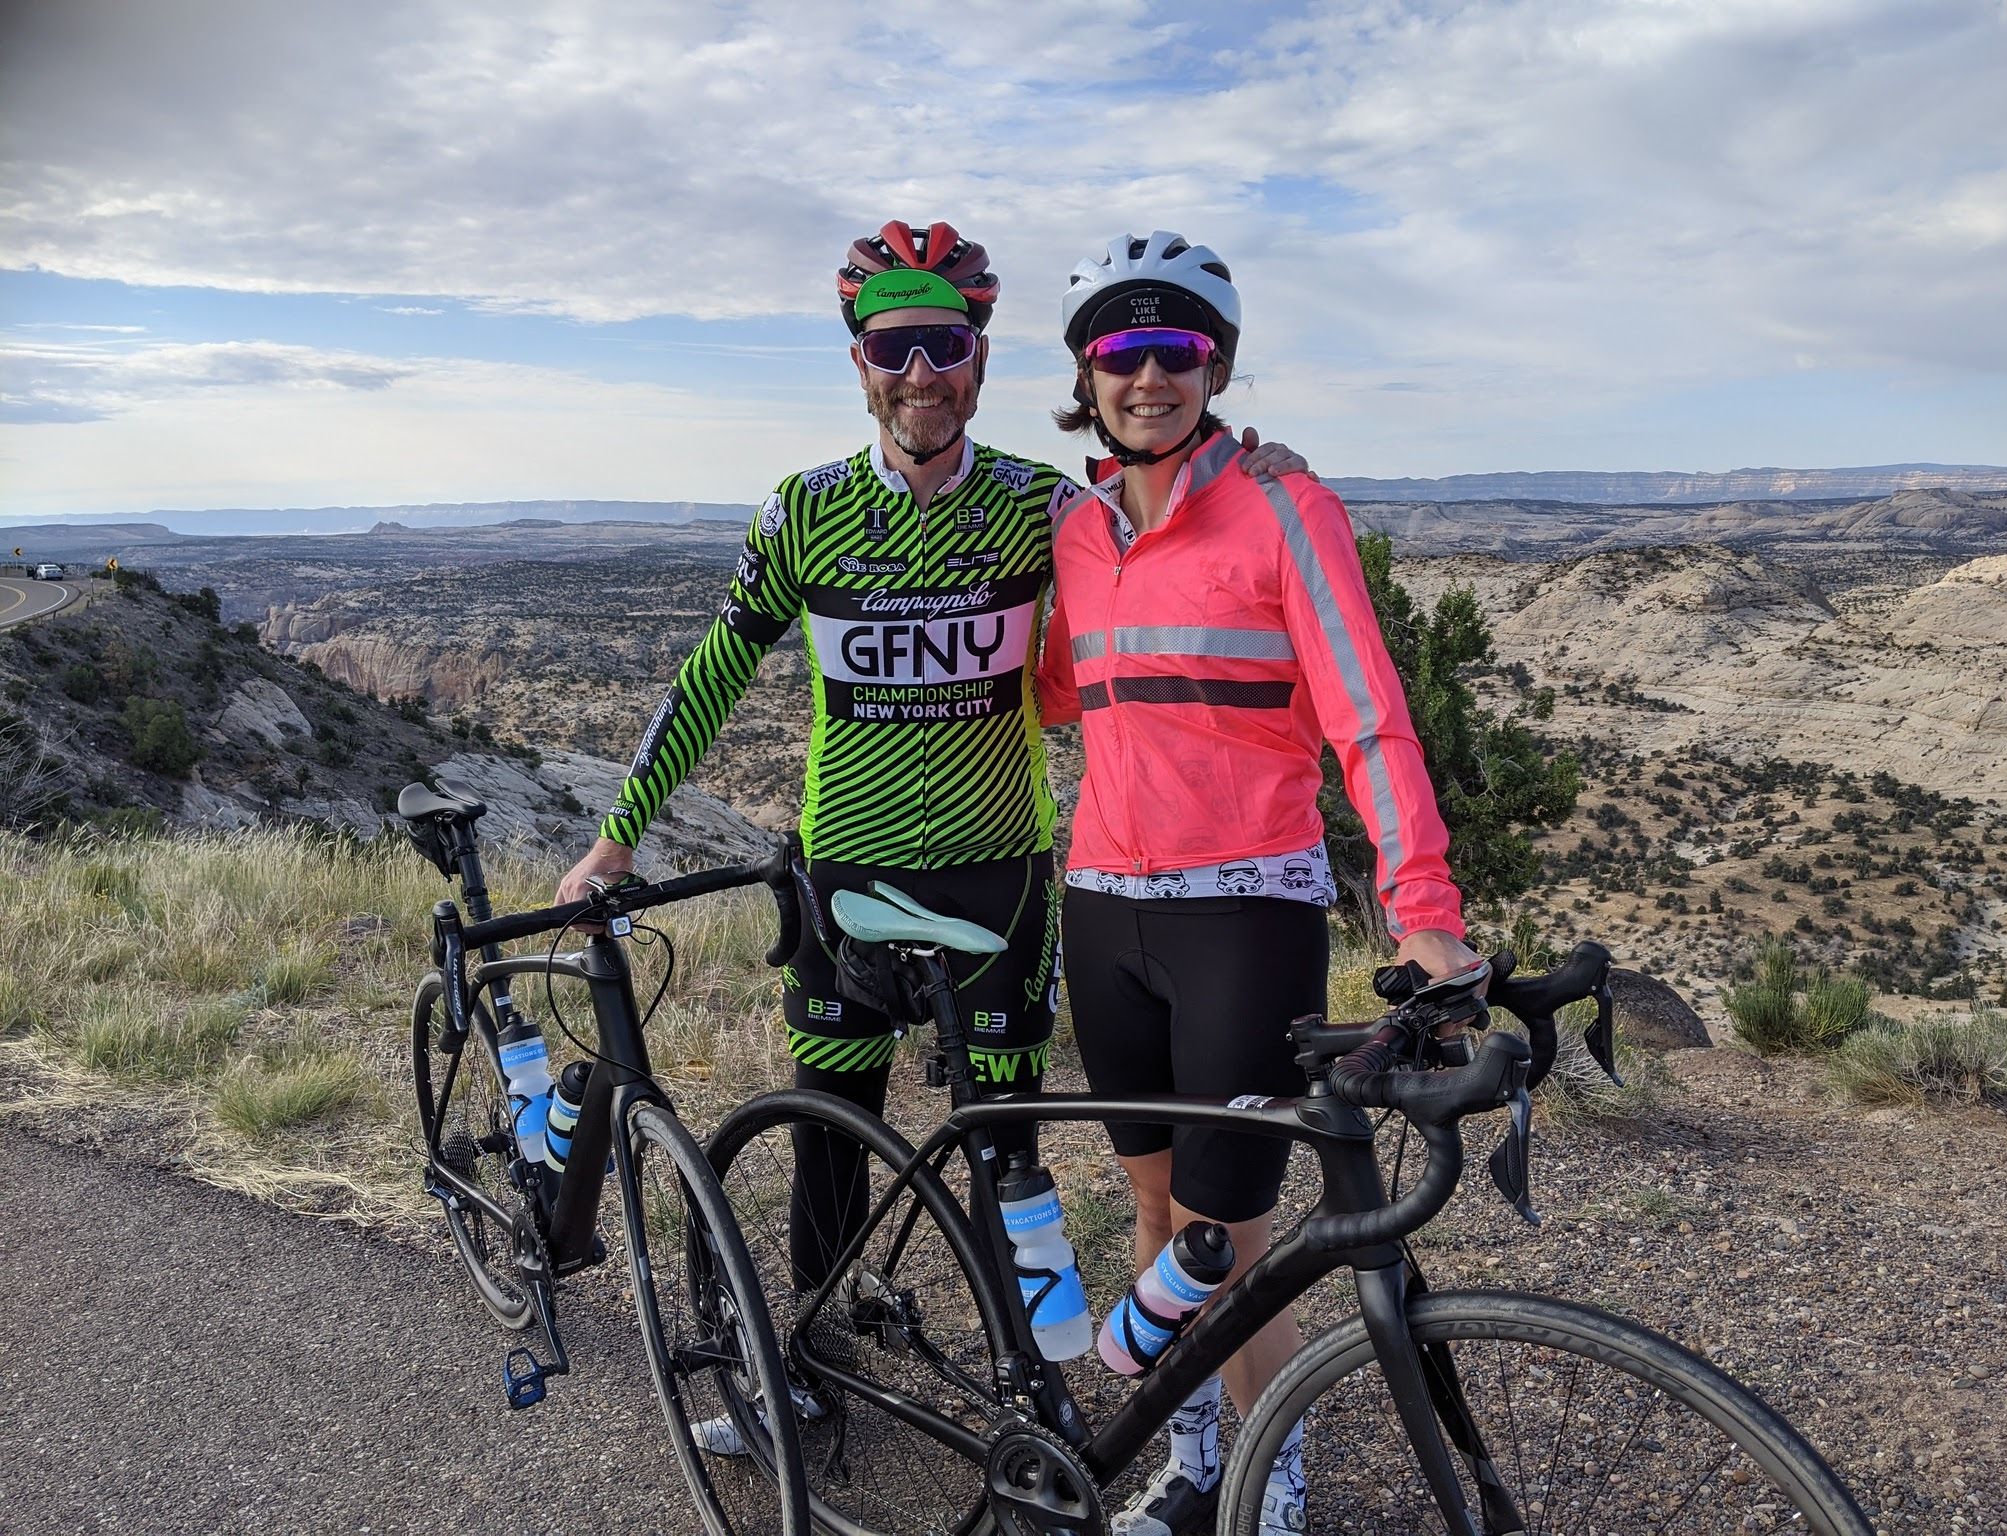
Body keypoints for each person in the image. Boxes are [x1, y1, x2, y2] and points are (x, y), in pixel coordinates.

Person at [554, 223, 1306, 1446]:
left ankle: (1037, 1389)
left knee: (1005, 1154)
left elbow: (1171, 540)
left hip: (994, 883)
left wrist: (1249, 468)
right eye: (892, 345)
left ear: (979, 357)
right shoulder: (802, 512)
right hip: (843, 876)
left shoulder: (1043, 508)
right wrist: (617, 836)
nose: (919, 372)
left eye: (943, 344)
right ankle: (804, 1357)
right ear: (857, 360)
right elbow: (709, 677)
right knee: (826, 1133)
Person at [1037, 232, 1487, 1536]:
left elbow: (1371, 719)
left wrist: (1425, 911)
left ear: (1215, 364)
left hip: (1247, 911)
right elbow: (1060, 686)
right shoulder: (1078, 528)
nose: (1148, 377)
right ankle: (1189, 1470)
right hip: (1102, 907)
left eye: (1176, 350)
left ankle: (1271, 1496)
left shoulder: (1288, 508)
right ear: (1088, 374)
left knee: (1224, 1242)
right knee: (1150, 1203)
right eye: (1121, 353)